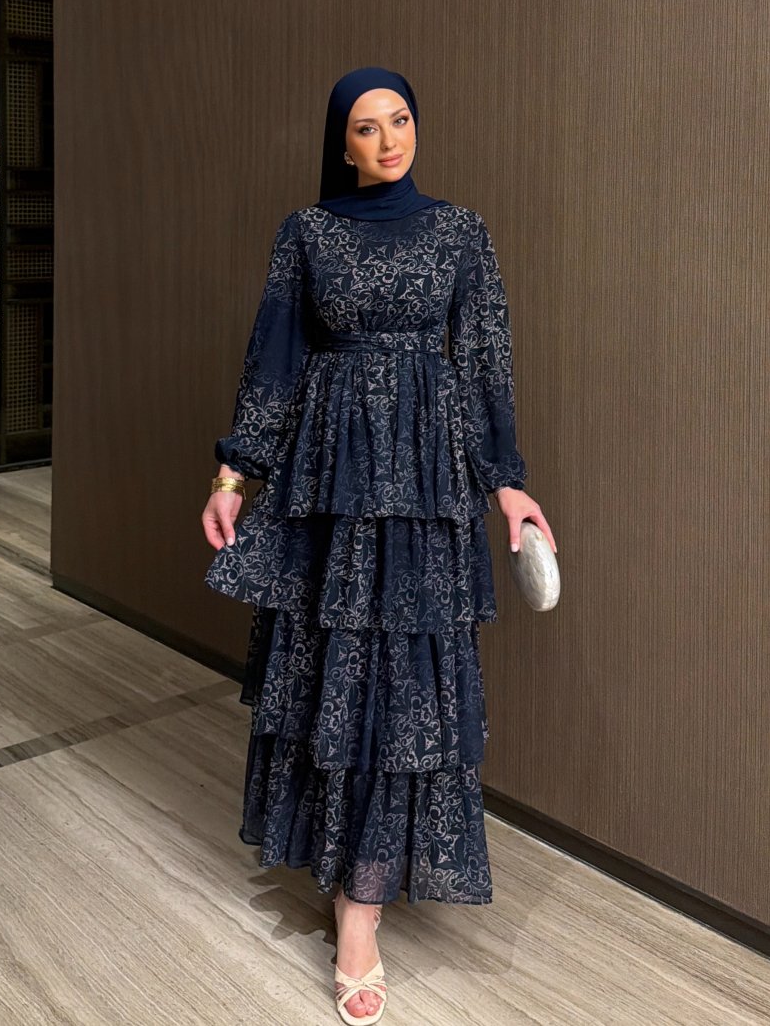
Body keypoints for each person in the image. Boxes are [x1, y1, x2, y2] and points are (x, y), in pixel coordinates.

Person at [202, 66, 556, 1023]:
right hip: (329, 473)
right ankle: (343, 879)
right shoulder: (308, 232)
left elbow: (484, 361)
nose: (390, 139)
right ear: (343, 142)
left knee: (403, 688)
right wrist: (235, 473)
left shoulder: (460, 231)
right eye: (367, 127)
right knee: (331, 675)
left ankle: (360, 911)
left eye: (401, 120)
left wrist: (508, 482)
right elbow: (275, 358)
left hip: (427, 480)